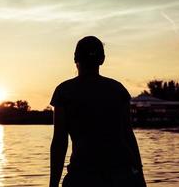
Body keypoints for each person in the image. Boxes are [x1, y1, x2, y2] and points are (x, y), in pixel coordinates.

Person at [49, 36, 146, 187]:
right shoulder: (117, 90)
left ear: (75, 58)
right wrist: (140, 177)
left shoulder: (64, 91)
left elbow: (59, 142)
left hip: (82, 177)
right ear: (102, 59)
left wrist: (53, 184)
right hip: (122, 176)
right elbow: (128, 136)